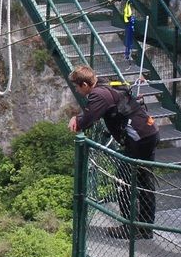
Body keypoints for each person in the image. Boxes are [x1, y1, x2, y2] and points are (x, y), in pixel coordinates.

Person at [67, 65, 158, 238]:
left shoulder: (98, 95)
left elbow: (86, 121)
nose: (77, 91)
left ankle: (130, 228)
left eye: (78, 87)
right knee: (145, 184)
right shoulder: (105, 84)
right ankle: (145, 228)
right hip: (147, 132)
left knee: (123, 183)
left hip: (138, 140)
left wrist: (75, 119)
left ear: (85, 84)